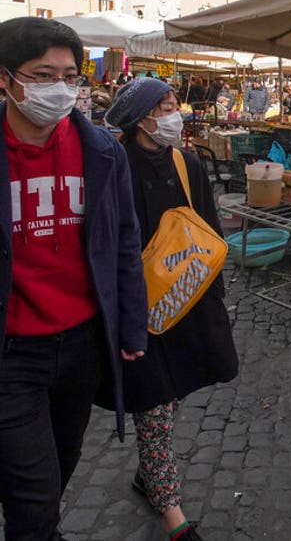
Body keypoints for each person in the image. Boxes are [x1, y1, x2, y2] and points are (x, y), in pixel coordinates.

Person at [0, 17, 148, 540]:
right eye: (42, 75)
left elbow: (124, 244)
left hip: (82, 348)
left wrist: (131, 327)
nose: (59, 88)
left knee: (56, 473)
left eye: (69, 75)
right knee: (34, 504)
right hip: (4, 355)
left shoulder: (103, 151)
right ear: (3, 78)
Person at [105, 78, 238, 541]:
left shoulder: (188, 163)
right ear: (141, 118)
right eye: (164, 106)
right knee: (155, 406)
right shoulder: (114, 165)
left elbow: (209, 227)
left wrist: (215, 297)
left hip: (186, 302)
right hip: (139, 310)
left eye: (173, 105)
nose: (174, 114)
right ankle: (172, 516)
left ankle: (149, 477)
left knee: (172, 394)